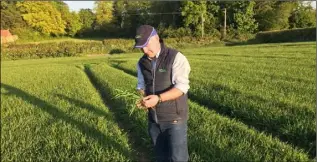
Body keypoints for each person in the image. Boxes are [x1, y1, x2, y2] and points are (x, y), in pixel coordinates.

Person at [134, 25, 191, 162]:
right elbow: (141, 85)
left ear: (157, 38)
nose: (145, 50)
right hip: (154, 120)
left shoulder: (175, 57)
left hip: (174, 120)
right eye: (141, 47)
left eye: (146, 46)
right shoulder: (142, 63)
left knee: (178, 158)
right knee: (161, 157)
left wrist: (158, 98)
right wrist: (142, 98)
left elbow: (182, 87)